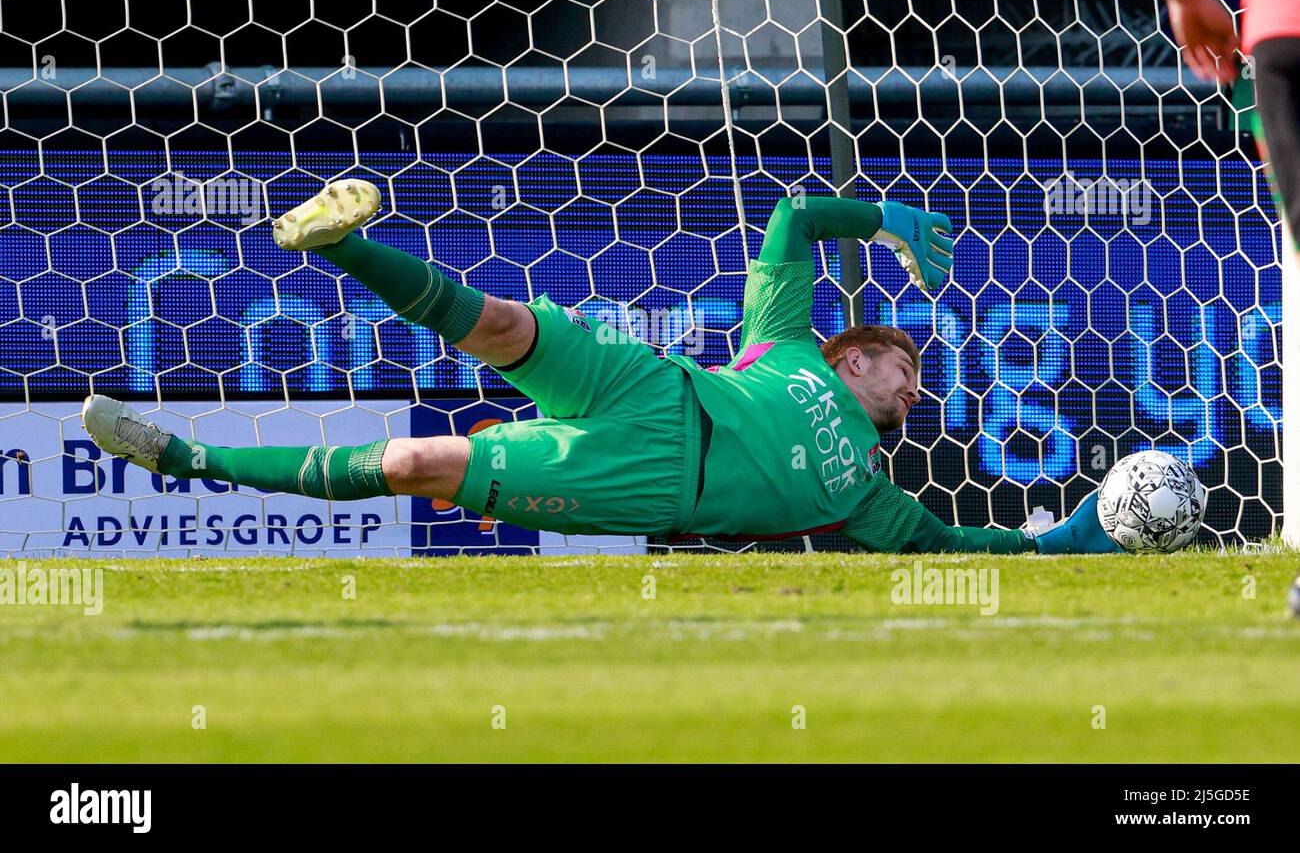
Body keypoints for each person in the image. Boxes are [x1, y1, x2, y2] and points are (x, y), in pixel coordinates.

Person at [81, 178, 1119, 554]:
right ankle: (343, 241)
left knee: (410, 464)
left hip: (651, 484)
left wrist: (1075, 539)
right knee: (496, 324)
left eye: (914, 388)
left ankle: (185, 452)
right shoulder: (785, 342)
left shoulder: (866, 494)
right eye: (899, 368)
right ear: (851, 355)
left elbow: (956, 545)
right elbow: (795, 217)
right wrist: (880, 217)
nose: (910, 389)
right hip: (651, 385)